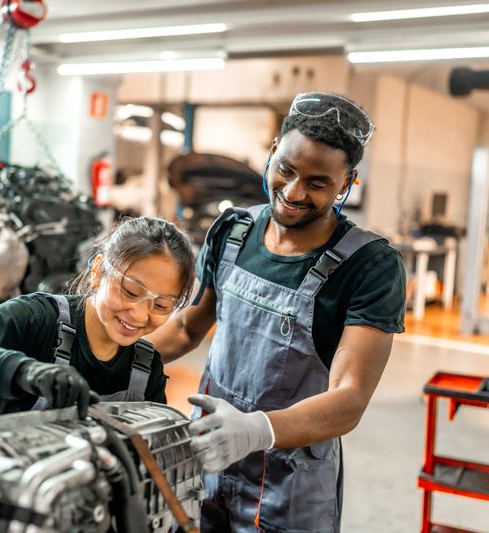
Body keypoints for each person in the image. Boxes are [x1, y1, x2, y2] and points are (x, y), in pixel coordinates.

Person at [147, 91, 406, 532]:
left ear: (347, 183)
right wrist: (116, 358)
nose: (292, 192)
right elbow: (190, 326)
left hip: (292, 483)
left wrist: (254, 430)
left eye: (318, 183)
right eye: (285, 169)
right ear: (272, 151)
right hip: (207, 455)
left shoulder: (371, 266)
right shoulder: (233, 231)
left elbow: (349, 399)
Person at [0, 216, 196, 420]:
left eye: (162, 305)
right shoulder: (37, 320)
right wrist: (23, 373)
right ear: (97, 271)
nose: (140, 314)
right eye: (131, 292)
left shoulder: (144, 370)